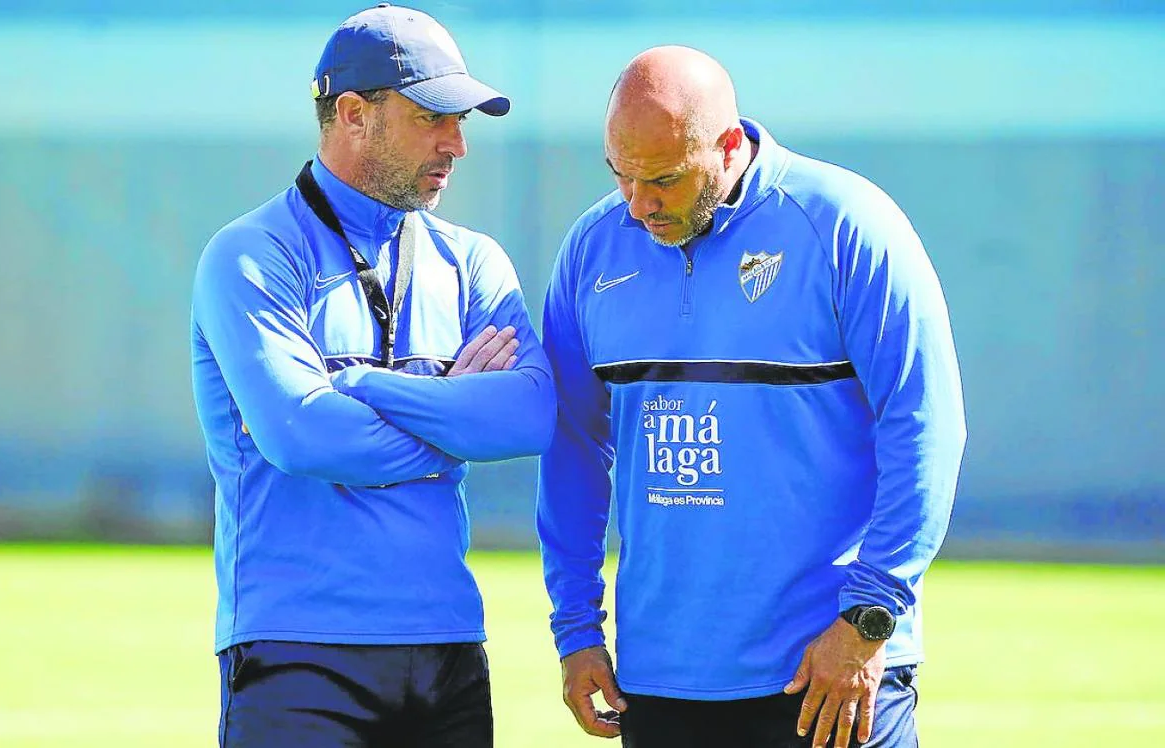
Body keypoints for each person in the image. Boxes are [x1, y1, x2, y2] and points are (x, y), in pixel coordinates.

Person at [537, 45, 966, 748]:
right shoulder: (593, 248)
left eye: (666, 181)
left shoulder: (846, 224)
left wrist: (867, 622)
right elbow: (573, 449)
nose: (639, 206)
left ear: (729, 144)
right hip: (659, 682)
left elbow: (926, 428)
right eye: (622, 177)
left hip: (827, 673)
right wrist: (576, 629)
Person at [190, 5, 555, 746]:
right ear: (353, 114)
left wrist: (364, 387)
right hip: (296, 651)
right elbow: (301, 435)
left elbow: (530, 419)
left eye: (463, 122)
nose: (457, 144)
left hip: (450, 647)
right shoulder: (251, 255)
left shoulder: (473, 259)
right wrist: (455, 411)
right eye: (432, 118)